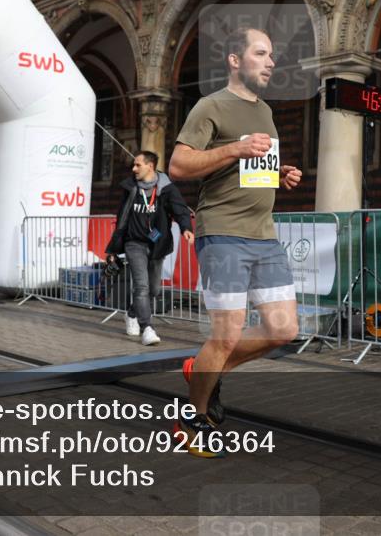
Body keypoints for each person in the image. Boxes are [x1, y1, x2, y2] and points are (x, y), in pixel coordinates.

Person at [168, 26, 302, 457]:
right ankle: (193, 418)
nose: (270, 62)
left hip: (264, 234)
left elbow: (252, 168)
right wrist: (233, 151)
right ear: (234, 59)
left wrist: (278, 174)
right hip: (222, 232)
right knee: (225, 335)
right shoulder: (210, 106)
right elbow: (179, 165)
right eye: (261, 53)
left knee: (284, 330)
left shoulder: (265, 111)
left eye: (271, 55)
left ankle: (201, 370)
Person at [105, 151, 194, 346]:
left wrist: (186, 227)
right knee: (142, 287)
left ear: (150, 166)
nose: (133, 169)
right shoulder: (131, 188)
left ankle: (131, 313)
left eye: (138, 165)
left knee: (153, 289)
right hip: (134, 243)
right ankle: (147, 328)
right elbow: (122, 218)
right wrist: (113, 248)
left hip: (157, 245)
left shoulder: (167, 189)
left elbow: (180, 209)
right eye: (133, 165)